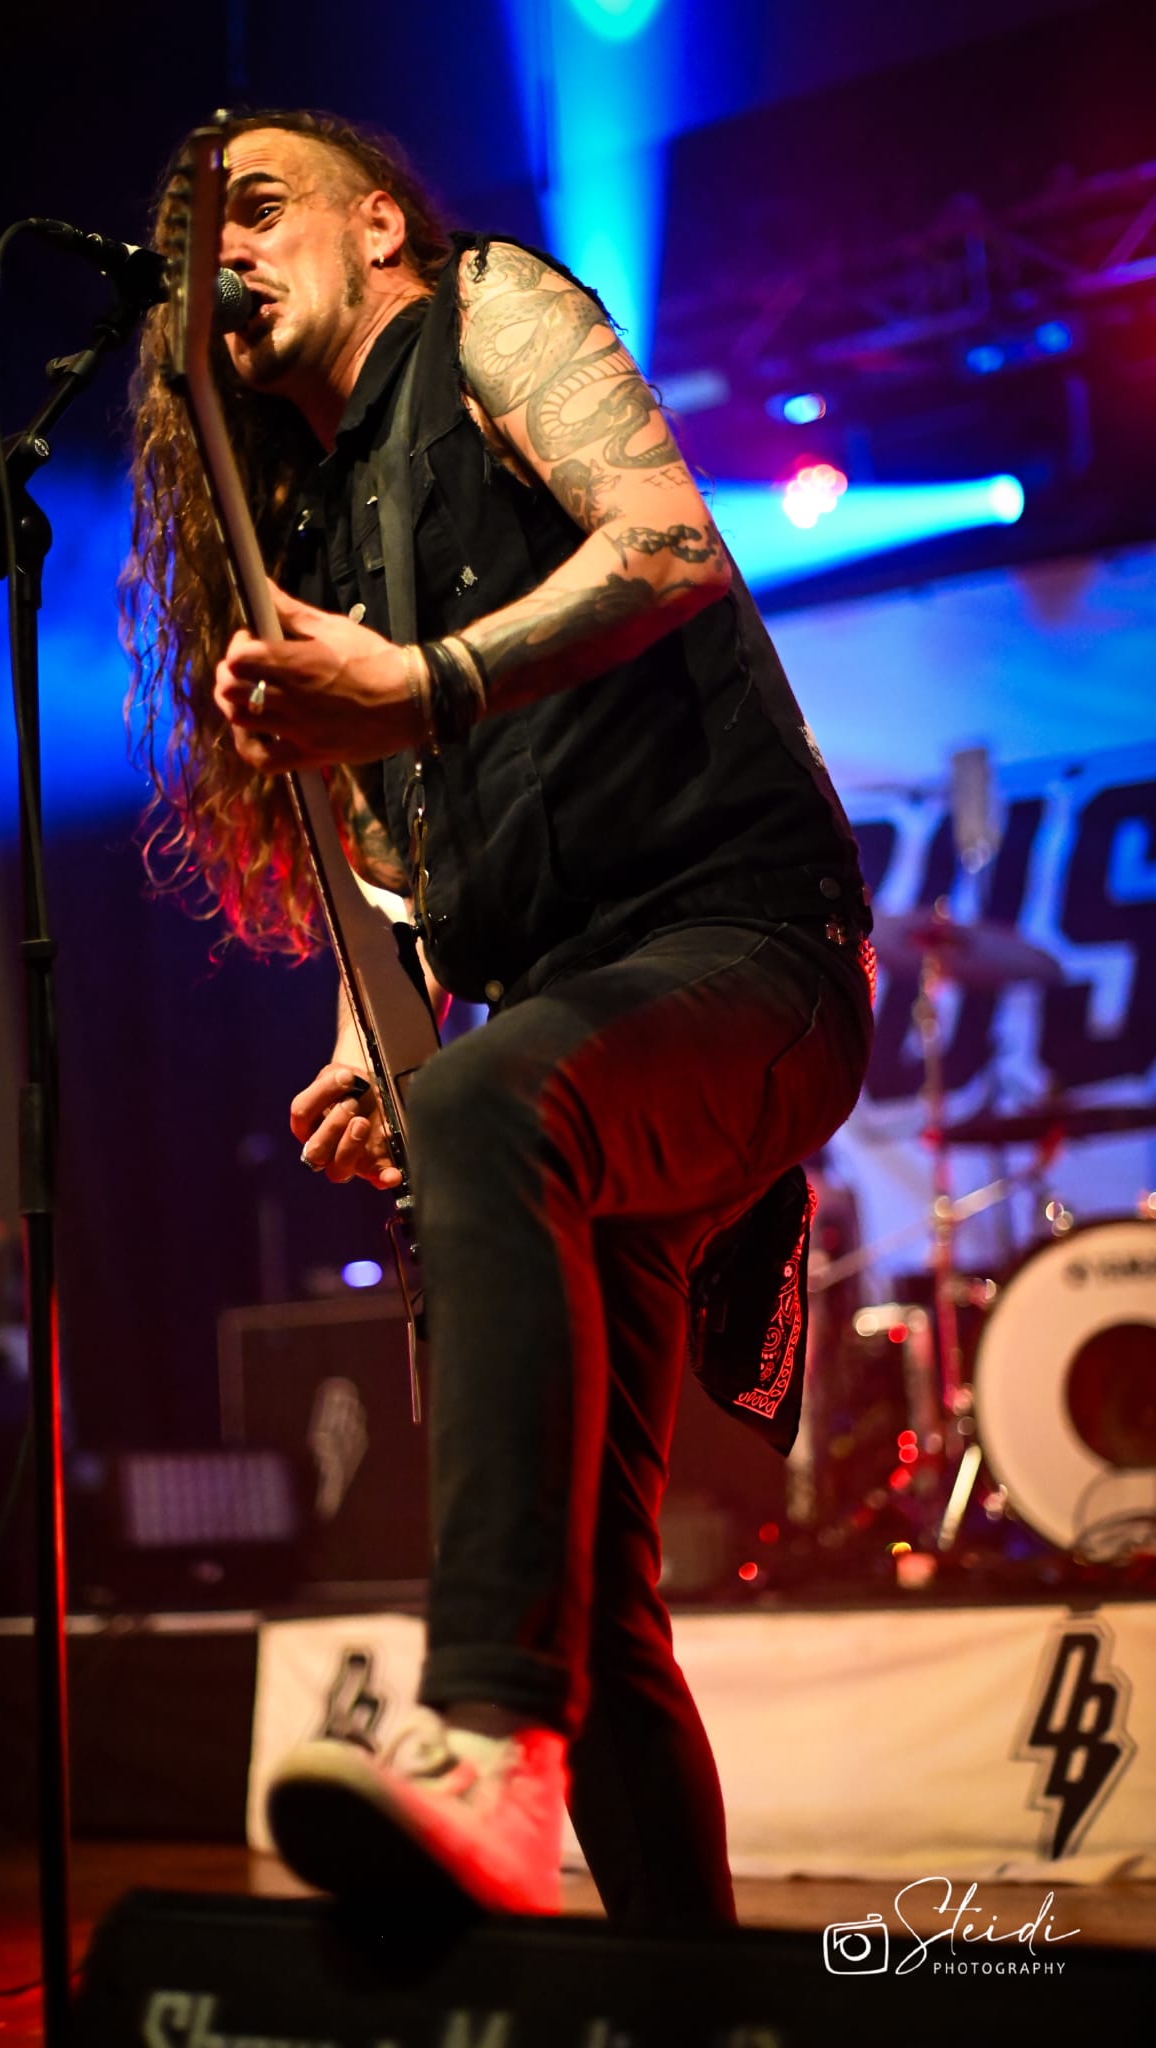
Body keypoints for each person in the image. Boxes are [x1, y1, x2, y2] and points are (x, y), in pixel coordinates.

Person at [124, 109, 875, 1926]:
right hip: (567, 1025)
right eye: (196, 244)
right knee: (596, 1595)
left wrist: (429, 678)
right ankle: (686, 1997)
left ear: (379, 225)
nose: (225, 255)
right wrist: (361, 1035)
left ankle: (481, 1744)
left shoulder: (488, 309)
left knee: (484, 1102)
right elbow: (389, 856)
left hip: (749, 955)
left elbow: (669, 545)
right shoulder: (301, 529)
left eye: (260, 209)